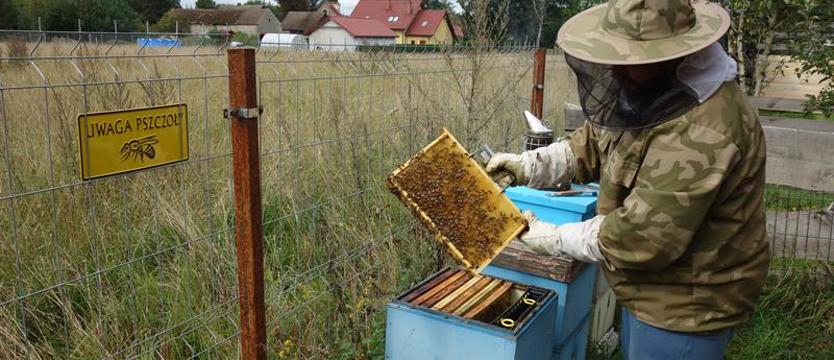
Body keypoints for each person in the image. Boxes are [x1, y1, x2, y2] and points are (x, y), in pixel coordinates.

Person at [485, 0, 769, 358]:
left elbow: (643, 237)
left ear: (674, 56)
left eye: (633, 62)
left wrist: (555, 238)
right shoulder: (652, 87)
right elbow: (593, 140)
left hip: (688, 307)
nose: (618, 71)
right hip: (645, 288)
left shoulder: (705, 130)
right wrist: (528, 165)